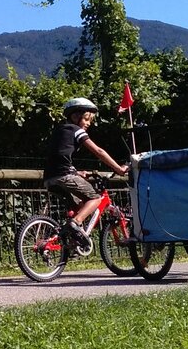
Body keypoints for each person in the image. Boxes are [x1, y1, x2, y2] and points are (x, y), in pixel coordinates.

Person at [42, 97, 130, 251]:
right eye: (87, 119)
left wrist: (77, 171)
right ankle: (75, 223)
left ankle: (71, 242)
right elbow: (98, 151)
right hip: (64, 176)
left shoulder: (60, 130)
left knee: (81, 205)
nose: (89, 123)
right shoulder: (76, 130)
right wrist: (118, 169)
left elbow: (59, 156)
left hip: (50, 178)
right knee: (95, 198)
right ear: (75, 117)